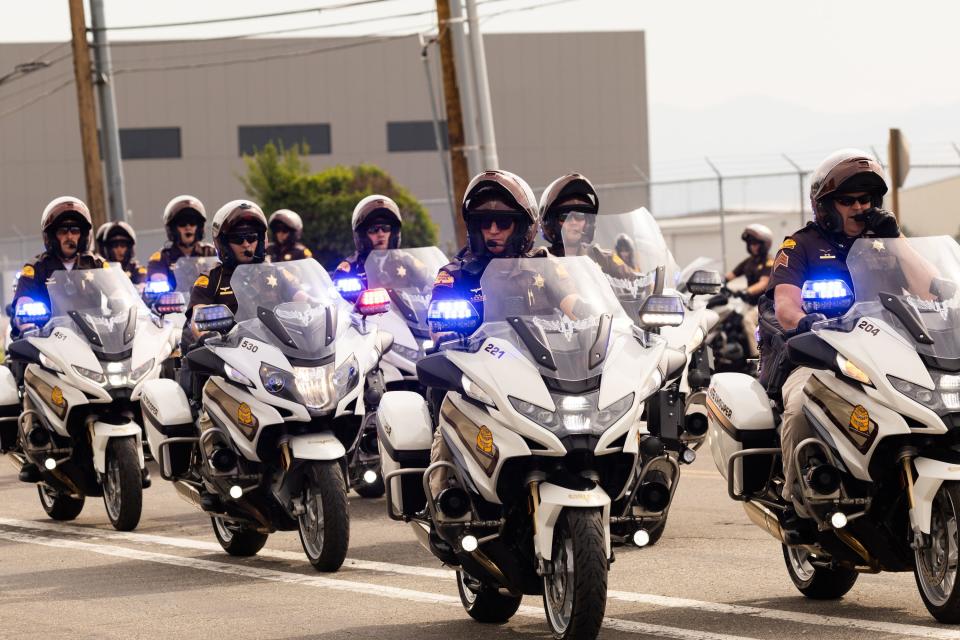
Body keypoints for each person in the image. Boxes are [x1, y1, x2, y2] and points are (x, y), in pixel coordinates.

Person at [761, 149, 904, 533]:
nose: (860, 207)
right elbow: (785, 305)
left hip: (886, 357)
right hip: (818, 355)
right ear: (826, 206)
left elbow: (930, 289)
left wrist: (897, 239)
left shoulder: (884, 243)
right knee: (798, 405)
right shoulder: (801, 245)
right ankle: (797, 503)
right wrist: (807, 321)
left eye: (867, 199)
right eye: (848, 201)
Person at [427, 170, 583, 498]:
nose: (494, 231)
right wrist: (449, 330)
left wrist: (597, 319)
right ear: (474, 227)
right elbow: (438, 327)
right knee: (448, 414)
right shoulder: (454, 275)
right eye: (486, 223)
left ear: (522, 227)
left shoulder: (545, 265)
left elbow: (575, 303)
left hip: (545, 373)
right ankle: (445, 500)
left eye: (503, 222)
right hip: (481, 380)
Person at [11, 197, 105, 338]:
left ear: (83, 235)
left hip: (97, 337)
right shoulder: (36, 267)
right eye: (62, 231)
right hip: (49, 339)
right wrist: (28, 327)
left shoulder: (97, 264)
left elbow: (118, 296)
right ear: (52, 236)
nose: (69, 236)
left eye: (74, 231)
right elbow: (24, 302)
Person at [538, 172, 637, 279]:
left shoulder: (604, 258)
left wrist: (651, 284)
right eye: (565, 216)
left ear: (588, 222)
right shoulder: (541, 261)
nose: (573, 222)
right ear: (551, 222)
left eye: (580, 215)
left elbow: (637, 280)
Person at [147, 195, 216, 289]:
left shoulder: (211, 253)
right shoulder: (161, 259)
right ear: (173, 228)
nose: (188, 227)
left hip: (210, 303)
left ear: (199, 227)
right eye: (182, 223)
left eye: (192, 222)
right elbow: (153, 294)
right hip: (173, 303)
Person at [725, 223, 774, 356]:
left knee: (747, 319)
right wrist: (717, 284)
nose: (753, 246)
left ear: (764, 244)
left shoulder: (768, 262)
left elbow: (763, 283)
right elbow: (730, 276)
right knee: (728, 316)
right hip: (750, 303)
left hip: (765, 305)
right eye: (751, 243)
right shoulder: (749, 261)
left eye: (756, 243)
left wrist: (746, 291)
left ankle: (757, 359)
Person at [102, 221, 147, 287]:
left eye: (123, 245)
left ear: (129, 248)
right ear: (109, 249)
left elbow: (143, 284)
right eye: (115, 245)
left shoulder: (136, 269)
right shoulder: (103, 269)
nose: (119, 249)